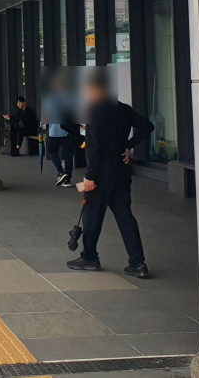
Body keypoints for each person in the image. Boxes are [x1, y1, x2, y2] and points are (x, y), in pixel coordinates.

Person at [67, 69, 155, 279]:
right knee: (125, 217)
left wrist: (89, 176)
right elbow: (147, 126)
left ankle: (89, 257)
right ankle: (137, 263)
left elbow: (94, 147)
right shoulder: (123, 109)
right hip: (121, 172)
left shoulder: (94, 111)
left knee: (92, 217)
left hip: (100, 174)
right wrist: (128, 146)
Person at [42, 91, 75, 187]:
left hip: (54, 131)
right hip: (69, 131)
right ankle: (67, 179)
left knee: (52, 152)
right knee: (69, 155)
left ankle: (61, 172)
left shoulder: (51, 100)